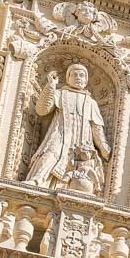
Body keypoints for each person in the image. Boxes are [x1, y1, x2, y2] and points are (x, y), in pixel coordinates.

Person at [25, 63, 111, 194]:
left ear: (86, 80)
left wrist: (103, 146)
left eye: (81, 75)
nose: (78, 77)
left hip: (83, 141)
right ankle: (37, 180)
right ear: (68, 78)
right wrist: (51, 86)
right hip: (60, 133)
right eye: (74, 75)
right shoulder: (60, 94)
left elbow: (96, 126)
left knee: (80, 166)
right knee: (50, 154)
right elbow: (42, 110)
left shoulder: (91, 102)